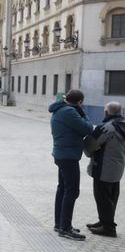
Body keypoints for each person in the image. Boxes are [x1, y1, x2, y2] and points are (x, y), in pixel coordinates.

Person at [48, 89, 93, 240]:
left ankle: (59, 224)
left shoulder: (60, 109)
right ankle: (65, 228)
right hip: (68, 156)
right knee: (72, 191)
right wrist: (83, 113)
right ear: (79, 102)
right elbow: (87, 128)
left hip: (62, 154)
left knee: (63, 189)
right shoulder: (69, 112)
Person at [83, 101, 125, 237]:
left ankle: (108, 228)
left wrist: (91, 153)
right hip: (118, 169)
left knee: (102, 197)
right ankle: (104, 222)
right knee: (111, 197)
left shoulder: (105, 128)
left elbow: (89, 146)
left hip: (103, 169)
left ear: (106, 112)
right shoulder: (122, 126)